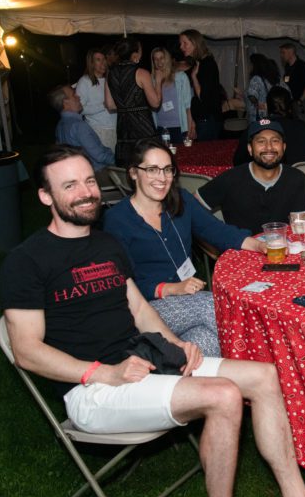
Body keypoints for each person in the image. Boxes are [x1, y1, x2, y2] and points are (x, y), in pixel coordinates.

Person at [0, 145, 305, 497]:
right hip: (93, 389)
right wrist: (103, 372)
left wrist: (176, 346)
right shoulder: (26, 261)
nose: (86, 192)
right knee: (224, 396)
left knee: (263, 376)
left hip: (145, 361)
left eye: (90, 181)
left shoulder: (106, 245)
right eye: (70, 185)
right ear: (45, 196)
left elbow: (139, 310)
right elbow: (26, 351)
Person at [103, 139, 264, 356]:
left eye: (167, 170)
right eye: (152, 170)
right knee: (215, 306)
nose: (162, 178)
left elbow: (217, 231)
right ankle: (266, 359)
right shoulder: (117, 220)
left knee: (204, 344)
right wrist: (169, 289)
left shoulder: (181, 201)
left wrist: (259, 245)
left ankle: (174, 370)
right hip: (146, 309)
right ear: (133, 173)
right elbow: (119, 284)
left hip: (187, 301)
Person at [200, 119, 305, 235]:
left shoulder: (295, 178)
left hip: (281, 247)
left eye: (275, 141)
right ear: (250, 149)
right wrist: (217, 239)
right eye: (261, 141)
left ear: (283, 147)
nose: (269, 147)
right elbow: (190, 208)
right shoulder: (230, 179)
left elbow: (299, 229)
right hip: (240, 250)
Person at [104, 37, 160, 165]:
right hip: (143, 127)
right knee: (149, 164)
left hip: (123, 128)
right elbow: (155, 103)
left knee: (130, 167)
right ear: (135, 53)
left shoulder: (110, 73)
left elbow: (110, 105)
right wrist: (159, 81)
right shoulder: (141, 73)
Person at [233, 86, 305, 168]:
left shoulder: (257, 128)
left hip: (271, 178)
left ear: (266, 106)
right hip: (300, 176)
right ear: (290, 107)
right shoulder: (302, 127)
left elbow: (238, 161)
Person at [49, 85, 114, 171]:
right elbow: (100, 156)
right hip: (97, 172)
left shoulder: (60, 126)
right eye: (74, 95)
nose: (78, 97)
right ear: (66, 103)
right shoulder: (78, 126)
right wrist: (121, 161)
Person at [179, 29, 223, 141]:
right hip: (203, 119)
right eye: (181, 43)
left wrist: (194, 77)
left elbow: (202, 96)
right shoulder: (199, 63)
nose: (181, 47)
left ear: (195, 43)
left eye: (185, 43)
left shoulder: (207, 64)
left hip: (208, 120)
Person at [74, 48, 117, 153]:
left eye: (104, 59)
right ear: (91, 63)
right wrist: (104, 105)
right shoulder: (85, 81)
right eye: (98, 59)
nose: (103, 63)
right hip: (97, 131)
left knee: (114, 165)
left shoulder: (110, 79)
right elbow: (79, 108)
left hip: (114, 129)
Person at [151, 47, 194, 144]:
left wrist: (190, 127)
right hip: (160, 127)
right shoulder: (152, 80)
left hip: (179, 127)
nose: (159, 62)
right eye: (156, 59)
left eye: (162, 58)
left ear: (167, 59)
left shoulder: (181, 77)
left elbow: (188, 106)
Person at [280, 42, 305, 120]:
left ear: (290, 52)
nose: (281, 55)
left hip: (300, 102)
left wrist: (300, 100)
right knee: (295, 124)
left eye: (283, 52)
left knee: (303, 124)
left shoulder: (301, 65)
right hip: (291, 102)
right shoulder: (287, 66)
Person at [246, 53, 279, 124]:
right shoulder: (268, 78)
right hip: (269, 116)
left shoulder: (256, 78)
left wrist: (257, 104)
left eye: (250, 64)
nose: (249, 66)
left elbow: (252, 95)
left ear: (254, 65)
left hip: (257, 118)